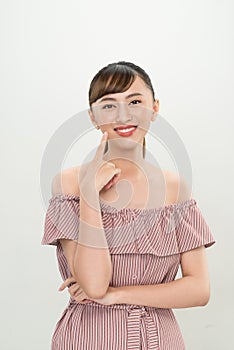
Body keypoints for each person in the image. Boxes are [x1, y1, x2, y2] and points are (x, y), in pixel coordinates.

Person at [42, 61, 215, 349]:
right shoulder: (70, 183)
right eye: (109, 105)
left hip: (160, 339)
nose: (123, 114)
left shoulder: (175, 188)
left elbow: (199, 290)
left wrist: (118, 295)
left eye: (135, 101)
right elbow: (95, 284)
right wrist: (89, 195)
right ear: (93, 117)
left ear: (155, 107)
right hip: (90, 338)